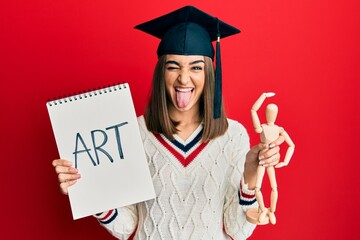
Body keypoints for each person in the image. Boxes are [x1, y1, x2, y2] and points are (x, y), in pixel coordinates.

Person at [52, 6, 283, 240]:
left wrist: (251, 172)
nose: (183, 78)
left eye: (196, 67)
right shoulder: (134, 132)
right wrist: (88, 192)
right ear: (161, 72)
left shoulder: (233, 136)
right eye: (173, 66)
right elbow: (129, 228)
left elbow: (237, 230)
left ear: (209, 74)